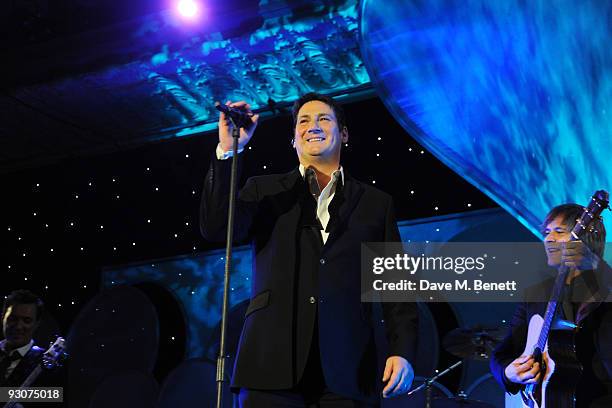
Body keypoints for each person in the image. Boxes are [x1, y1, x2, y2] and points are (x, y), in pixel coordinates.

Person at [200, 93, 418, 406]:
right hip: (269, 366)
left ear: (343, 134)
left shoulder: (375, 204)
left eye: (323, 119)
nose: (312, 126)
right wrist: (229, 149)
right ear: (293, 139)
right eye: (303, 121)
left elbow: (396, 284)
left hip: (347, 371)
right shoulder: (265, 190)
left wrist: (403, 350)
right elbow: (216, 227)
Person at [490, 204, 612, 407]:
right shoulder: (535, 294)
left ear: (585, 238)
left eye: (559, 231)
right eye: (546, 232)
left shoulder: (606, 285)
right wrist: (508, 373)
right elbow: (503, 353)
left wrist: (594, 266)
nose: (549, 239)